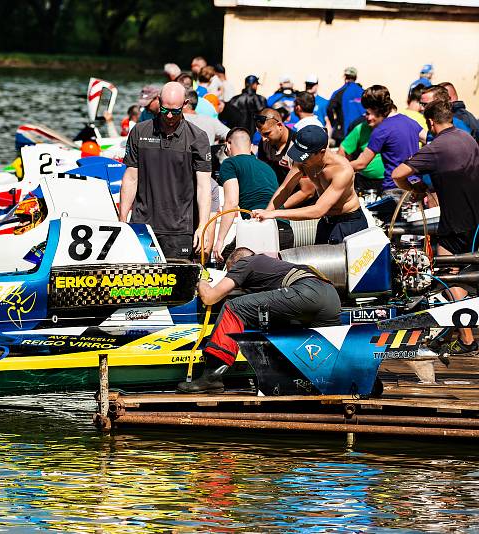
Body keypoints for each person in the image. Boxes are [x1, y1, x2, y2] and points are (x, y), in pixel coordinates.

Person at [177, 247, 341, 393]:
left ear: (235, 263)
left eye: (229, 272)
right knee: (322, 350)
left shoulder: (245, 262)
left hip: (307, 291)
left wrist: (202, 279)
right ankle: (327, 382)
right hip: (331, 297)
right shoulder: (273, 266)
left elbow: (210, 297)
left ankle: (212, 375)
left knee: (234, 308)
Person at [391, 99, 479, 355]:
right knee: (464, 274)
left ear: (430, 122)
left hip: (455, 222)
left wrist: (417, 188)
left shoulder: (436, 147)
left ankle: (466, 339)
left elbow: (398, 174)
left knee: (448, 273)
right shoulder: (467, 138)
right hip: (475, 219)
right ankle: (456, 332)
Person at [120, 81, 212, 260]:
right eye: (165, 110)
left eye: (176, 111)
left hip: (180, 229)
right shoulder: (139, 131)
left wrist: (203, 226)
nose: (169, 115)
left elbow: (203, 186)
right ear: (158, 101)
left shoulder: (198, 138)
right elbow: (131, 178)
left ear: (185, 105)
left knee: (178, 285)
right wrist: (123, 219)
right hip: (142, 225)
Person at [253, 125, 368, 244]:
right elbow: (286, 188)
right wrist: (266, 213)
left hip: (349, 222)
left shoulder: (342, 170)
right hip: (326, 221)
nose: (301, 160)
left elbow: (318, 210)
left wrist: (274, 214)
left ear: (321, 152)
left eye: (305, 156)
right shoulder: (304, 160)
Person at [211, 128, 279, 261]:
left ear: (228, 145)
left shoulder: (230, 163)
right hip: (283, 228)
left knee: (225, 262)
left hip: (260, 228)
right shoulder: (267, 167)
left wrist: (219, 241)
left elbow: (231, 202)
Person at [349, 85, 422, 191]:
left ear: (376, 109)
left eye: (369, 113)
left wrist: (338, 166)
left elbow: (361, 164)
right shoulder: (409, 121)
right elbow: (429, 139)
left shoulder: (381, 130)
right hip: (415, 186)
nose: (368, 117)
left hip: (394, 188)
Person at [338, 118, 386, 194]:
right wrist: (341, 170)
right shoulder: (361, 128)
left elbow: (361, 163)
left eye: (372, 113)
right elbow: (343, 149)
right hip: (364, 182)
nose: (369, 117)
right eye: (367, 113)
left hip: (388, 181)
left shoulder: (390, 128)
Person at [327, 67, 365, 146]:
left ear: (345, 77)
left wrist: (334, 123)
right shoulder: (363, 92)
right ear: (356, 77)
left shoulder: (338, 92)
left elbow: (329, 108)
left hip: (343, 134)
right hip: (362, 131)